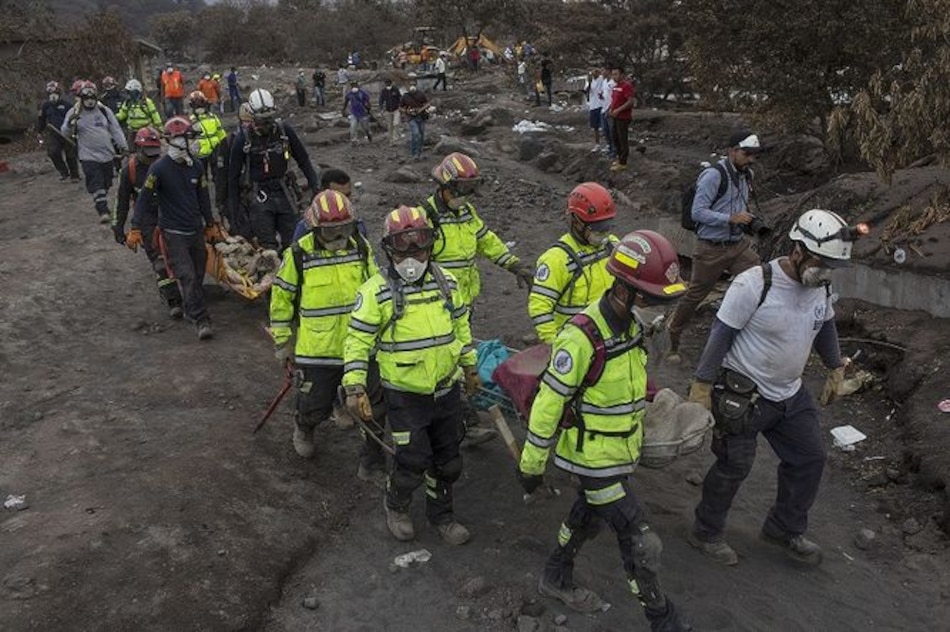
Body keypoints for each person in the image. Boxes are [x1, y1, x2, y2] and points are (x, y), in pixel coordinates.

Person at [517, 230, 691, 631]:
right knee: (641, 539)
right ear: (625, 291)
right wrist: (532, 466)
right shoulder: (581, 339)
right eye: (654, 300)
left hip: (620, 451)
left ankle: (555, 576)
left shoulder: (631, 329)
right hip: (592, 458)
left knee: (587, 517)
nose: (660, 309)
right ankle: (664, 620)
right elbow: (548, 404)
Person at [686, 209, 859, 567]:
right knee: (735, 465)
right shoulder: (754, 284)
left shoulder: (820, 285)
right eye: (821, 262)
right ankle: (706, 532)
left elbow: (825, 325)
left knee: (810, 458)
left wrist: (834, 368)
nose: (826, 272)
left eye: (831, 265)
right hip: (744, 393)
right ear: (798, 250)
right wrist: (702, 386)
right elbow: (721, 334)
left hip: (790, 395)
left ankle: (783, 528)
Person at [343, 205, 478, 545]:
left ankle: (442, 515)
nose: (411, 256)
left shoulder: (447, 282)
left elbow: (460, 326)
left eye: (418, 246)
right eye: (403, 247)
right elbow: (357, 341)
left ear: (430, 245)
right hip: (405, 395)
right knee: (413, 458)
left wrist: (470, 366)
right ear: (389, 249)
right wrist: (355, 385)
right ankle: (397, 504)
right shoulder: (375, 292)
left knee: (448, 460)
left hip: (446, 390)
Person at [270, 190, 387, 484]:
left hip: (360, 347)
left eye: (343, 228)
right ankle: (305, 426)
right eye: (331, 230)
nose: (338, 235)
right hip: (317, 351)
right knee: (314, 404)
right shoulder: (298, 254)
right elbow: (282, 299)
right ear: (315, 228)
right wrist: (283, 342)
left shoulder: (361, 248)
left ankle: (372, 460)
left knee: (373, 407)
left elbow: (376, 290)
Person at [665, 131, 764, 364]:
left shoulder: (746, 175)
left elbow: (740, 205)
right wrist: (730, 218)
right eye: (746, 153)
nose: (751, 158)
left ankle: (746, 335)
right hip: (711, 248)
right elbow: (697, 212)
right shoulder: (713, 176)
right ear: (732, 151)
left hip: (737, 245)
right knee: (695, 296)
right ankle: (673, 337)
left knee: (759, 279)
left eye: (754, 154)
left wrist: (747, 221)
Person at [131, 116, 218, 340]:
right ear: (177, 141)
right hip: (173, 233)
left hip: (195, 230)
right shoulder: (159, 170)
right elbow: (143, 200)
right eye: (190, 138)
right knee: (187, 275)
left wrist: (210, 224)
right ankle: (201, 320)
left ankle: (191, 307)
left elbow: (203, 197)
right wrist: (135, 227)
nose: (194, 142)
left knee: (198, 274)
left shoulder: (196, 167)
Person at [419, 152, 534, 311]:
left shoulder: (467, 211)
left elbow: (486, 240)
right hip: (439, 303)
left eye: (470, 188)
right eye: (463, 188)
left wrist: (513, 264)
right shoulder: (425, 217)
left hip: (466, 299)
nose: (466, 195)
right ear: (446, 185)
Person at [227, 88, 320, 252]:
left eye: (269, 119)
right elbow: (233, 178)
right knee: (267, 246)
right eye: (262, 120)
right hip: (259, 196)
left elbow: (303, 160)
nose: (266, 125)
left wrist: (316, 187)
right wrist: (234, 215)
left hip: (283, 191)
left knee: (294, 243)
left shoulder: (284, 132)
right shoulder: (243, 139)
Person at [529, 182, 618, 344]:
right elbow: (540, 305)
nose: (604, 234)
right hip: (574, 342)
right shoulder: (556, 259)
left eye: (607, 227)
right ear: (576, 222)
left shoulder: (612, 246)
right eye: (597, 228)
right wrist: (554, 344)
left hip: (609, 337)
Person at [111, 126, 183, 318]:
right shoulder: (129, 171)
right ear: (138, 149)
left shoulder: (166, 165)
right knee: (159, 261)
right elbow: (122, 201)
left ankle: (190, 290)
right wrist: (118, 226)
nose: (152, 158)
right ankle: (173, 299)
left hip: (169, 213)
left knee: (180, 254)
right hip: (147, 219)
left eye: (155, 153)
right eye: (148, 154)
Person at [62, 81, 128, 223]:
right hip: (88, 155)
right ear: (81, 98)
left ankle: (101, 198)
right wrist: (70, 124)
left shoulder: (104, 111)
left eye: (92, 98)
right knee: (96, 182)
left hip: (107, 154)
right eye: (87, 99)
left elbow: (115, 129)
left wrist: (124, 146)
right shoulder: (74, 112)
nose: (90, 101)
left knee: (106, 183)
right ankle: (103, 210)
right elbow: (64, 132)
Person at [290, 168, 354, 242]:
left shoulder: (357, 224)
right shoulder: (306, 226)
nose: (344, 200)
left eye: (347, 195)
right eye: (337, 195)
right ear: (322, 192)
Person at [37, 81, 80, 182]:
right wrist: (39, 131)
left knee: (71, 155)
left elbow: (74, 119)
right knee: (53, 152)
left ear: (59, 93)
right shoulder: (45, 106)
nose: (53, 96)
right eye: (50, 94)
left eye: (55, 94)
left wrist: (74, 131)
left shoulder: (68, 106)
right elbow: (41, 119)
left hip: (67, 134)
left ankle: (75, 176)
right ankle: (63, 172)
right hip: (54, 133)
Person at [188, 91, 226, 179]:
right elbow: (189, 139)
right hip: (200, 153)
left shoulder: (213, 117)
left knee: (217, 176)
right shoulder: (191, 121)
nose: (199, 107)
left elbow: (221, 134)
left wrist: (223, 149)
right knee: (201, 178)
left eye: (200, 104)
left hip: (215, 150)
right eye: (196, 104)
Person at [116, 79, 163, 147]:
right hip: (132, 131)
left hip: (146, 131)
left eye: (130, 92)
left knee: (148, 149)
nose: (128, 94)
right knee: (130, 150)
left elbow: (155, 115)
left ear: (135, 92)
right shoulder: (127, 103)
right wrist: (114, 117)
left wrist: (160, 129)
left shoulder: (146, 102)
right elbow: (122, 114)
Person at [607, 65, 635, 172]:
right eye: (613, 74)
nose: (614, 76)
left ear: (622, 75)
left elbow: (630, 101)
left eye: (616, 74)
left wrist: (618, 110)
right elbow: (614, 100)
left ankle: (623, 162)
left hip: (623, 117)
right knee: (615, 138)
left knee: (622, 139)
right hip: (615, 116)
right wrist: (610, 109)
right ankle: (619, 159)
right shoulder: (615, 86)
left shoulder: (626, 86)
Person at [399, 83, 429, 160]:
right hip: (411, 118)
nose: (412, 87)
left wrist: (420, 110)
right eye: (410, 85)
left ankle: (419, 152)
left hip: (421, 117)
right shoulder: (405, 96)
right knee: (415, 133)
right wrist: (407, 111)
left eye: (413, 85)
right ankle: (413, 152)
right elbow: (400, 107)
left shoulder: (421, 94)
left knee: (421, 134)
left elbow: (427, 103)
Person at [586, 69, 605, 152]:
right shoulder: (589, 80)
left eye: (595, 71)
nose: (594, 73)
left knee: (604, 126)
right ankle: (597, 144)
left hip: (601, 105)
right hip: (593, 105)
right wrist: (589, 82)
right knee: (595, 127)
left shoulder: (601, 79)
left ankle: (608, 144)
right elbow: (587, 91)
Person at [378, 79, 402, 145]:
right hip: (388, 110)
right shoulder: (384, 91)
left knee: (396, 123)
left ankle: (395, 138)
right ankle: (391, 140)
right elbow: (381, 100)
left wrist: (400, 106)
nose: (387, 84)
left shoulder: (395, 89)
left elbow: (400, 98)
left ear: (391, 83)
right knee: (390, 126)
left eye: (389, 83)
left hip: (396, 109)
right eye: (386, 83)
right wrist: (381, 109)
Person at [600, 69, 616, 159]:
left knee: (612, 131)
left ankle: (614, 150)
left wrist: (611, 108)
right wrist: (601, 96)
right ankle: (609, 147)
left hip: (611, 109)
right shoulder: (604, 82)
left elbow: (615, 97)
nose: (602, 72)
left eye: (603, 70)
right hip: (603, 108)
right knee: (605, 131)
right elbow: (604, 93)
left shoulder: (613, 83)